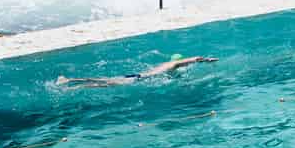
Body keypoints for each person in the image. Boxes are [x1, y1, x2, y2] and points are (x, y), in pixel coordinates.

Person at [55, 55, 217, 89]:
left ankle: (70, 81)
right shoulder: (174, 65)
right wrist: (204, 60)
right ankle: (70, 84)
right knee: (105, 83)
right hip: (136, 79)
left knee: (105, 81)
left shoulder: (168, 65)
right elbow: (192, 59)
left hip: (137, 77)